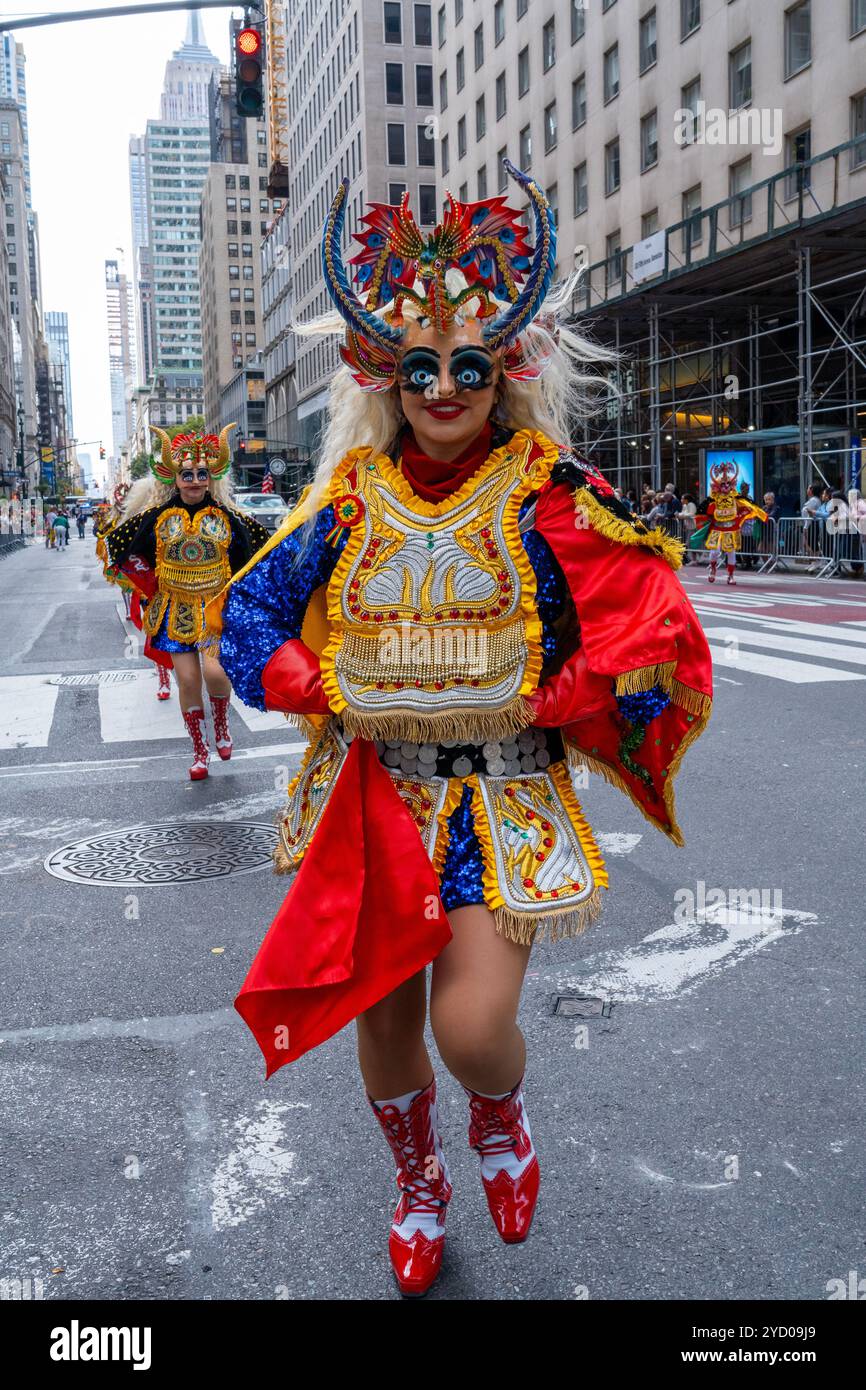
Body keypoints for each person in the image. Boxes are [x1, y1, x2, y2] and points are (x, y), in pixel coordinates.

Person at [205, 167, 713, 1298]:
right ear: (382, 376)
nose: (442, 386)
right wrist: (320, 682)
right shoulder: (343, 501)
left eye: (467, 365)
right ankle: (417, 1181)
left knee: (473, 1027)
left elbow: (650, 633)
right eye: (418, 366)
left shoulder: (549, 493)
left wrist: (554, 694)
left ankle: (499, 1117)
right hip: (374, 805)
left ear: (505, 374)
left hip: (498, 796)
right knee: (381, 1025)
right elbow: (245, 613)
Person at [99, 426, 269, 778]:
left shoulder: (230, 518)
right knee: (189, 680)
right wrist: (150, 583)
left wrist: (239, 599)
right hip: (173, 611)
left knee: (215, 672)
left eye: (201, 474)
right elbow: (120, 549)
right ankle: (199, 749)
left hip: (214, 611)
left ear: (211, 478)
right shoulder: (154, 518)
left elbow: (258, 556)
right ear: (174, 479)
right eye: (187, 474)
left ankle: (221, 724)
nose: (194, 481)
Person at [704, 461, 768, 584]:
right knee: (715, 551)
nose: (726, 486)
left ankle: (731, 575)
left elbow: (748, 506)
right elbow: (706, 513)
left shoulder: (736, 499)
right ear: (718, 486)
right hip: (717, 528)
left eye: (728, 483)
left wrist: (758, 513)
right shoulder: (713, 500)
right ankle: (713, 569)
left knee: (731, 552)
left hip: (731, 528)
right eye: (723, 484)